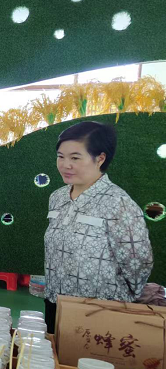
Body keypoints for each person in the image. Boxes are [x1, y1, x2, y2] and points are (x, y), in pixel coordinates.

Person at [44, 121, 153, 332]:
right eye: (61, 156)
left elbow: (139, 261)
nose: (65, 165)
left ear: (100, 159)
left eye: (75, 158)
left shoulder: (118, 203)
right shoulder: (57, 197)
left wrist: (124, 297)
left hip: (99, 310)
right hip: (55, 302)